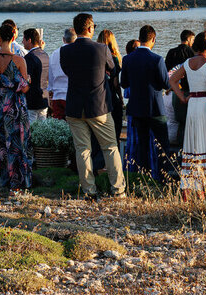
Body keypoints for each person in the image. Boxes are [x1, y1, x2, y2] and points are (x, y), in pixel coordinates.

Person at [62, 13, 126, 198]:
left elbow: (68, 72)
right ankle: (118, 190)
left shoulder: (66, 51)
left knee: (82, 149)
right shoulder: (102, 49)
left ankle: (89, 191)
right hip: (99, 107)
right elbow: (113, 70)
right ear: (90, 29)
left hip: (74, 107)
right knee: (110, 147)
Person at [170, 33, 206, 197]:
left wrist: (183, 98)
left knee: (194, 144)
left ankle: (191, 187)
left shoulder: (187, 63)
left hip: (193, 104)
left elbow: (173, 80)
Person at [0, 21, 32, 197]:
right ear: (13, 37)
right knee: (15, 146)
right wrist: (28, 81)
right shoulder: (19, 60)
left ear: (0, 38)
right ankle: (14, 187)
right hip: (14, 107)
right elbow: (24, 87)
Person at [121, 24, 171, 185]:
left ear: (140, 38)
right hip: (155, 109)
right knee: (162, 145)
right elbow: (165, 83)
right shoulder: (157, 60)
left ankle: (143, 179)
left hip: (136, 108)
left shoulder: (128, 59)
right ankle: (164, 179)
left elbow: (124, 83)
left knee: (141, 146)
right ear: (153, 39)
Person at [97, 29, 125, 145]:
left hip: (99, 99)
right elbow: (115, 83)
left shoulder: (96, 55)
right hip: (111, 98)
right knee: (115, 133)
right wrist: (121, 98)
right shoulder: (115, 58)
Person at [23, 29, 50, 125]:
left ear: (29, 40)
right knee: (43, 126)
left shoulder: (28, 58)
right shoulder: (45, 55)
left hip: (32, 98)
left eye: (24, 39)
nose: (22, 42)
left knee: (31, 126)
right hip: (44, 95)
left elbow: (27, 79)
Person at [48, 28, 75, 120]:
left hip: (57, 95)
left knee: (59, 125)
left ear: (63, 39)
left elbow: (50, 76)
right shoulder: (76, 52)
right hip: (71, 95)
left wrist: (50, 92)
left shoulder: (54, 54)